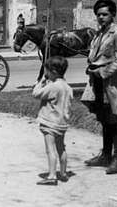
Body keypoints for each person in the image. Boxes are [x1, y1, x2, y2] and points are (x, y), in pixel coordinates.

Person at [81, 0, 117, 175]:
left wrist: (104, 71)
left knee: (114, 118)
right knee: (104, 117)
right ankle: (105, 155)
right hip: (98, 82)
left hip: (111, 81)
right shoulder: (100, 34)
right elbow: (94, 54)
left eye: (105, 14)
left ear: (113, 15)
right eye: (98, 14)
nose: (101, 17)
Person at [32, 55, 73, 186]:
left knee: (50, 149)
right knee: (61, 148)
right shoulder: (67, 87)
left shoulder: (53, 87)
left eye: (47, 71)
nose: (46, 74)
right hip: (62, 123)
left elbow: (36, 94)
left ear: (53, 72)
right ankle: (63, 173)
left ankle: (52, 175)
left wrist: (41, 81)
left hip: (50, 123)